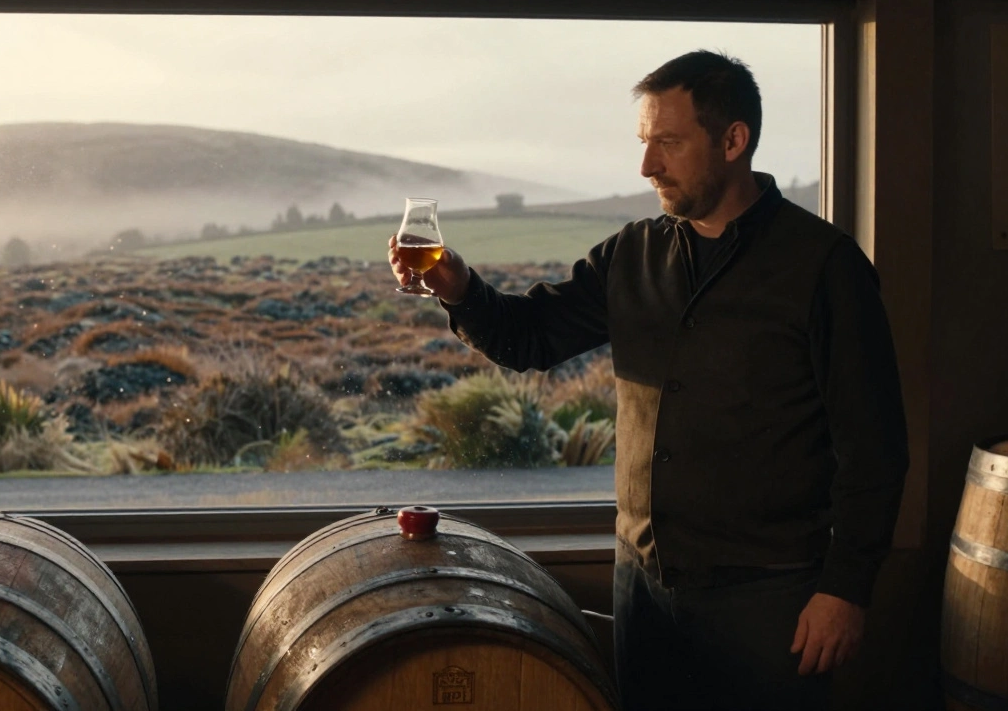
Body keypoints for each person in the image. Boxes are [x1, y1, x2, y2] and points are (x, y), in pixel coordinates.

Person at [388, 50, 908, 710]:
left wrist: (846, 590)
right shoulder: (631, 254)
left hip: (772, 602)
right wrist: (458, 286)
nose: (646, 165)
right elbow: (530, 337)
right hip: (643, 593)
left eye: (668, 142)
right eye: (643, 142)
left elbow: (876, 448)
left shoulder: (825, 268)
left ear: (733, 140)